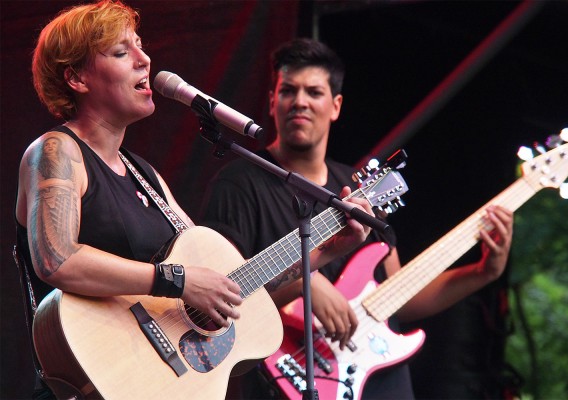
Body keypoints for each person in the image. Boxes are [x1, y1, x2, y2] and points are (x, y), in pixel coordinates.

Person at [14, 3, 374, 399]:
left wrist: (326, 250)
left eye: (140, 46)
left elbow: (229, 289)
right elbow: (56, 259)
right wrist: (178, 281)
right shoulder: (56, 152)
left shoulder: (146, 176)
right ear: (76, 78)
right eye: (121, 52)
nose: (144, 59)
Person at [198, 38, 514, 399]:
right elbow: (220, 295)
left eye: (314, 92)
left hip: (382, 382)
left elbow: (399, 296)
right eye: (288, 90)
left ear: (335, 106)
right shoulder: (238, 182)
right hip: (284, 380)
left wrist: (483, 272)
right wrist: (308, 282)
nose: (300, 101)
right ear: (272, 101)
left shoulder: (360, 191)